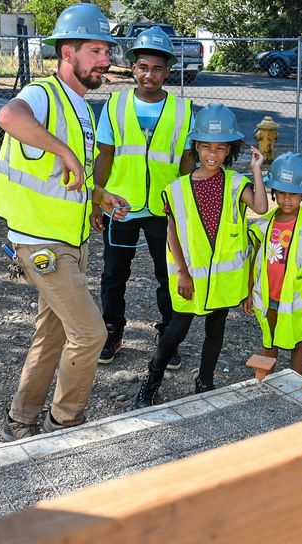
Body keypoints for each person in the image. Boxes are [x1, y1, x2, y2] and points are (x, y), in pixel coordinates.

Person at [0, 3, 130, 441]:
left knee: (51, 337)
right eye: (94, 50)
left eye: (106, 51)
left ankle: (21, 420)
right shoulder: (42, 94)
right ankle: (63, 424)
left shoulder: (83, 109)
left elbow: (65, 179)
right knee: (90, 335)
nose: (105, 60)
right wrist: (66, 152)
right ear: (67, 52)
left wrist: (99, 197)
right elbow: (8, 116)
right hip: (41, 245)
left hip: (69, 241)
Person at [134, 104, 268, 407]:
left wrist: (257, 170)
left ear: (230, 150)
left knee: (215, 330)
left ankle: (205, 381)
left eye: (220, 148)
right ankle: (152, 379)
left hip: (221, 281)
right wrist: (182, 271)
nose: (212, 153)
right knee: (176, 330)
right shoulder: (177, 189)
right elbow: (173, 233)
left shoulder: (236, 183)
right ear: (195, 146)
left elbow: (261, 207)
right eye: (206, 146)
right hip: (189, 278)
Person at [90, 26, 194, 368]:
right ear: (133, 68)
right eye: (143, 67)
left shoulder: (183, 111)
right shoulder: (115, 104)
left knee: (167, 275)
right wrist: (97, 198)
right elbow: (104, 154)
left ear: (168, 71)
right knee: (114, 272)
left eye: (157, 68)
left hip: (164, 211)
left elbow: (187, 163)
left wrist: (187, 209)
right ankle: (112, 330)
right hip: (121, 206)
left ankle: (169, 335)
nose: (150, 74)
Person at [242, 152, 302, 376]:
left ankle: (295, 384)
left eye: (294, 194)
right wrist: (249, 291)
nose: (287, 199)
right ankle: (265, 385)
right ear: (273, 193)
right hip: (268, 296)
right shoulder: (263, 224)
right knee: (269, 339)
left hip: (297, 298)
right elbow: (255, 260)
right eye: (281, 193)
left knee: (297, 342)